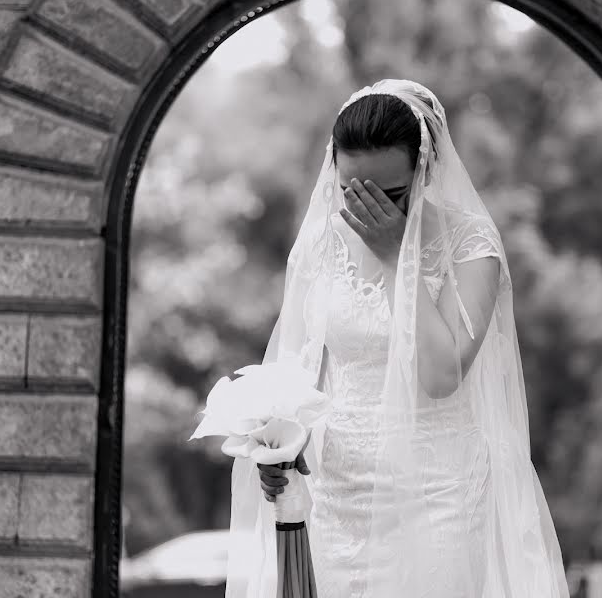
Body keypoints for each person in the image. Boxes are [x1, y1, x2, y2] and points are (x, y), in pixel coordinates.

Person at [230, 79, 569, 597]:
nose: (367, 211)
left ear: (425, 169)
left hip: (440, 492)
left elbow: (440, 375)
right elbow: (299, 371)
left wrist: (396, 257)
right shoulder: (319, 244)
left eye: (389, 195)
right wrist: (277, 452)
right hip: (336, 494)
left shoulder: (470, 245)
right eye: (351, 191)